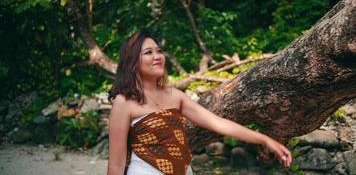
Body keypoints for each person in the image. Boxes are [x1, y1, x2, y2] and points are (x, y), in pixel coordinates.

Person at [107, 30, 292, 175]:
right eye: (148, 52)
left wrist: (265, 139)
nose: (158, 56)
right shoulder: (124, 103)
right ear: (132, 62)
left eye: (159, 51)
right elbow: (116, 163)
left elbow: (218, 123)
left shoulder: (175, 96)